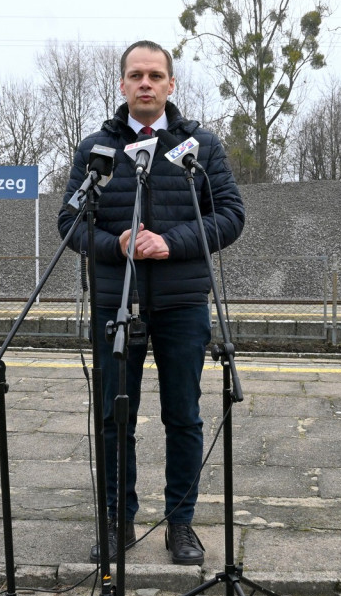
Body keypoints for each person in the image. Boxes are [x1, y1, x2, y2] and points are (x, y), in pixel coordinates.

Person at [58, 40, 245, 566]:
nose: (146, 83)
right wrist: (112, 243)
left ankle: (179, 524)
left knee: (183, 416)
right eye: (136, 74)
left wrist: (171, 242)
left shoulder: (200, 147)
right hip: (115, 302)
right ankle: (117, 519)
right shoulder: (96, 149)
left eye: (155, 75)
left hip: (183, 303)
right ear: (121, 85)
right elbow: (68, 223)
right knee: (116, 416)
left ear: (170, 85)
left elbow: (231, 216)